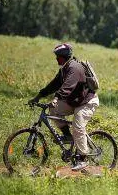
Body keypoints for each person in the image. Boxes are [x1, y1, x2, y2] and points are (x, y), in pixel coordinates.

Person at [28, 43, 99, 171]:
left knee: (78, 126)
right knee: (54, 110)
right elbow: (53, 85)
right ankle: (67, 135)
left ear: (64, 57)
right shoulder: (64, 69)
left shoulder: (74, 68)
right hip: (76, 102)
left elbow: (68, 86)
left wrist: (56, 98)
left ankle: (83, 158)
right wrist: (38, 96)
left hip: (87, 102)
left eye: (58, 57)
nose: (56, 59)